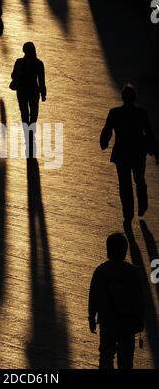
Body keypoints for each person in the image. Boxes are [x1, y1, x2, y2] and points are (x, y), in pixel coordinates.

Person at [100, 84, 159, 226]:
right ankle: (143, 204)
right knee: (139, 179)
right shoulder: (142, 113)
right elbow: (149, 133)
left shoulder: (114, 113)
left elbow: (107, 130)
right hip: (138, 152)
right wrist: (156, 151)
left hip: (121, 153)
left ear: (122, 97)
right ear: (135, 98)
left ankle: (128, 214)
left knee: (124, 185)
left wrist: (104, 142)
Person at [88, 233, 144, 369]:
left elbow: (93, 296)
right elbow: (140, 299)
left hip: (107, 321)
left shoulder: (101, 271)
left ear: (108, 250)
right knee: (126, 360)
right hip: (128, 322)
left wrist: (91, 316)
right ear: (125, 251)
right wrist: (140, 319)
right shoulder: (134, 273)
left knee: (106, 356)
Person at [10, 42, 46, 125]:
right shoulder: (39, 63)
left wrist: (20, 74)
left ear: (24, 51)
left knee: (24, 113)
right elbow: (41, 80)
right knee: (34, 113)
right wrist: (43, 94)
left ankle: (27, 131)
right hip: (34, 91)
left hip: (21, 91)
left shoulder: (19, 62)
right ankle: (31, 132)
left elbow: (13, 75)